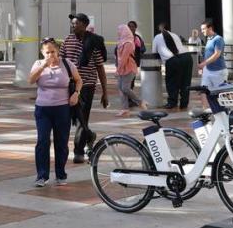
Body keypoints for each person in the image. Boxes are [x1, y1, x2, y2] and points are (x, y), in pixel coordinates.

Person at [28, 38, 81, 187]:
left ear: (57, 51)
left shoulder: (67, 64)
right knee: (43, 141)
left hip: (62, 108)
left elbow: (78, 80)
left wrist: (76, 93)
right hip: (43, 109)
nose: (50, 54)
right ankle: (42, 175)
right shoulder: (38, 64)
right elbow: (30, 80)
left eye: (53, 51)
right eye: (47, 52)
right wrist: (44, 65)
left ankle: (60, 174)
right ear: (42, 52)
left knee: (61, 142)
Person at [59, 12, 108, 163]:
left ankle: (78, 151)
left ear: (85, 25)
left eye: (77, 23)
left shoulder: (94, 42)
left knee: (82, 118)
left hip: (87, 86)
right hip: (68, 85)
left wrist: (105, 92)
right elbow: (60, 62)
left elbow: (100, 67)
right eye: (72, 24)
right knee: (69, 117)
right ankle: (90, 135)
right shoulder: (67, 40)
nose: (73, 26)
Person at [152, 22, 193, 111]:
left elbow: (154, 52)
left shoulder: (157, 37)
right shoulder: (175, 35)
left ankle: (172, 102)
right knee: (185, 82)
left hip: (173, 60)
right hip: (187, 57)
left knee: (172, 82)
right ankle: (184, 103)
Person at [114, 24, 147, 116]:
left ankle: (140, 102)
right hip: (122, 68)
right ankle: (125, 109)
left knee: (125, 88)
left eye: (119, 30)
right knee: (121, 88)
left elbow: (124, 58)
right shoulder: (121, 42)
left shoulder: (128, 43)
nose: (118, 32)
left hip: (129, 67)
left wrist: (118, 69)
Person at [197, 18, 227, 89]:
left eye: (203, 29)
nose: (202, 31)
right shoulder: (208, 39)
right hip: (207, 70)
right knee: (203, 92)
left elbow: (217, 54)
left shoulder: (218, 39)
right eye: (201, 29)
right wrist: (203, 67)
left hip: (218, 72)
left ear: (210, 28)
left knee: (221, 94)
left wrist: (204, 64)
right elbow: (207, 55)